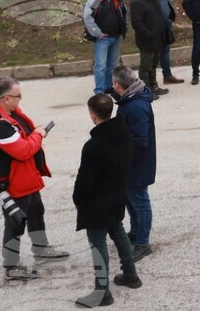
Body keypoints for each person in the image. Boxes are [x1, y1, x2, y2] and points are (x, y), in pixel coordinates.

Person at [0, 77, 69, 281]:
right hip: (14, 181)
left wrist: (34, 134)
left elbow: (24, 140)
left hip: (26, 177)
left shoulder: (9, 114)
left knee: (36, 211)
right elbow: (22, 150)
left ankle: (41, 249)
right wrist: (39, 135)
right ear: (6, 98)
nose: (20, 98)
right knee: (15, 222)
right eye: (18, 95)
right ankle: (11, 266)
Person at [72, 94, 140, 308]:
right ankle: (130, 274)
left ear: (92, 115)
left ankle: (102, 291)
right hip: (117, 195)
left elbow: (85, 180)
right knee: (118, 231)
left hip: (97, 203)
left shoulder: (94, 145)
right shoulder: (124, 134)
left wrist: (78, 199)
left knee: (98, 241)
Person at [112, 65, 157, 263]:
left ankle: (143, 243)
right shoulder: (130, 99)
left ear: (117, 84)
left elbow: (139, 141)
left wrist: (124, 161)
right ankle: (136, 232)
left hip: (136, 164)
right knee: (131, 199)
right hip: (129, 163)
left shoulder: (135, 107)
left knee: (140, 201)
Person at [132, 0, 183, 89]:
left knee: (164, 51)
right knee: (149, 60)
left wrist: (171, 15)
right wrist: (147, 31)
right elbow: (138, 10)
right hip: (150, 29)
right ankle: (147, 88)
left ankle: (166, 76)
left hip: (164, 25)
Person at [83, 0, 128, 95]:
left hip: (115, 37)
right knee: (100, 66)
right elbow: (87, 17)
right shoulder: (96, 0)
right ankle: (99, 90)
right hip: (102, 39)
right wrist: (97, 33)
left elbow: (124, 13)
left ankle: (109, 86)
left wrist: (124, 28)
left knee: (112, 65)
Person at [130, 0, 166, 96]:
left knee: (154, 65)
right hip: (146, 41)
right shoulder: (137, 3)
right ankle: (144, 91)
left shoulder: (153, 0)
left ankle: (153, 86)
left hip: (157, 40)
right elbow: (136, 23)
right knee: (145, 67)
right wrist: (148, 34)